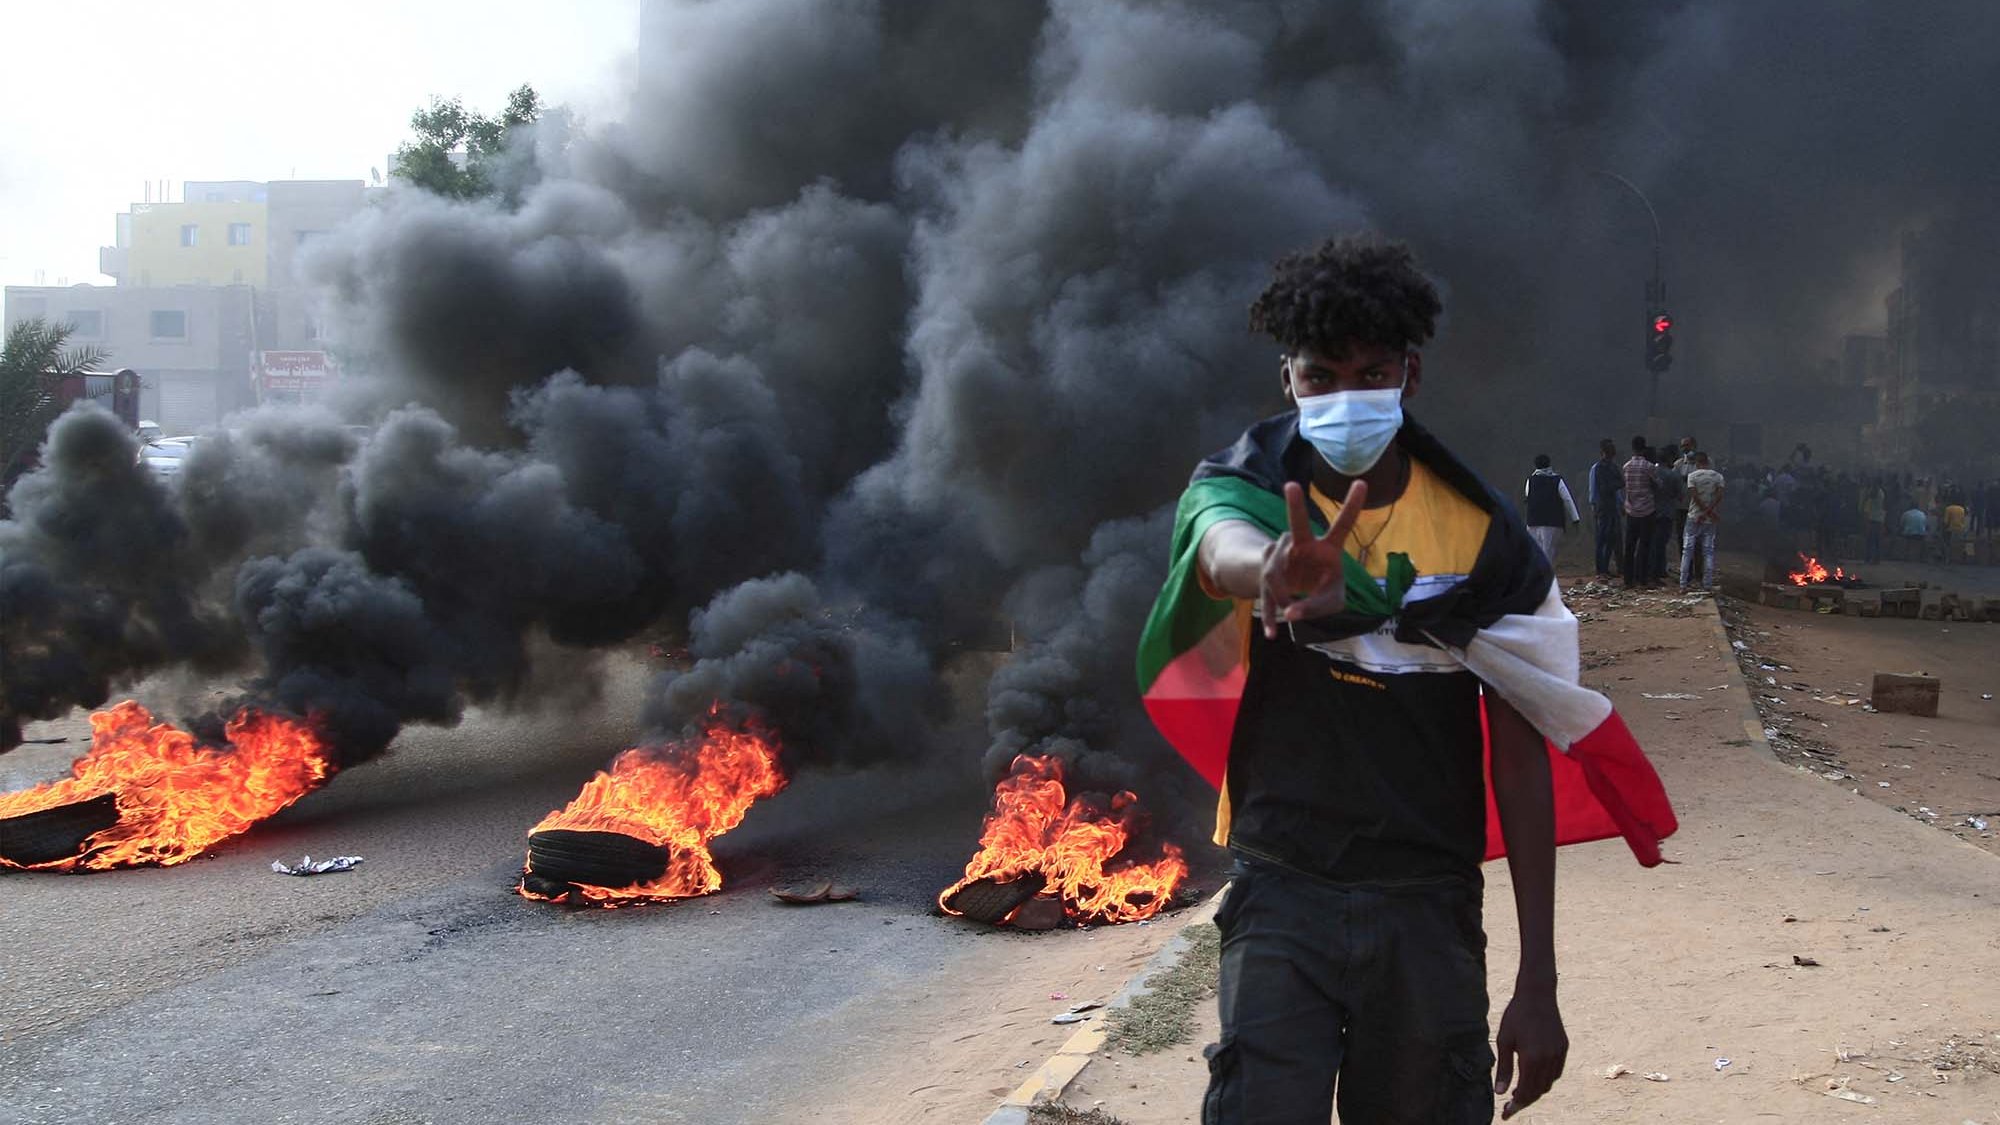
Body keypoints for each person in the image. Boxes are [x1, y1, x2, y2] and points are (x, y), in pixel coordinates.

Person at [1134, 235, 1674, 1125]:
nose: (1345, 398)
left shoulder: (1481, 536)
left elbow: (1521, 751)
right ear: (1288, 380)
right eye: (1320, 377)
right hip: (1282, 885)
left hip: (1427, 902)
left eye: (1369, 373)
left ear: (1410, 375)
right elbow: (1215, 538)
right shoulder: (1250, 484)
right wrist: (1268, 568)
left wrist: (1538, 978)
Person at [1523, 454, 1581, 564]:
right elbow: (1567, 500)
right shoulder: (1557, 480)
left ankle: (1539, 577)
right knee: (1548, 552)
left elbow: (1527, 496)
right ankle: (1546, 577)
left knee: (1536, 552)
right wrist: (1575, 518)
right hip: (1553, 522)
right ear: (1549, 464)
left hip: (1533, 521)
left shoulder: (1530, 480)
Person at [1680, 453, 1724, 593]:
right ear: (1708, 462)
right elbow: (1719, 496)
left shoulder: (1692, 476)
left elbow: (1694, 496)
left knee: (1687, 551)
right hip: (1710, 519)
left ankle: (1683, 584)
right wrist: (1709, 512)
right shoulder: (1718, 477)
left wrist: (1702, 512)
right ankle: (1707, 584)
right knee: (1708, 551)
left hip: (1694, 516)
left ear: (1697, 463)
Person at [1621, 437, 1658, 588]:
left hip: (1631, 509)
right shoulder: (1649, 466)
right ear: (1644, 449)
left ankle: (1628, 580)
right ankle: (1642, 578)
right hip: (1647, 510)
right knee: (1645, 545)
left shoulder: (1626, 466)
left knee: (1629, 545)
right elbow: (1658, 484)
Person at [1587, 438, 1623, 578]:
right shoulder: (1600, 468)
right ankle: (1601, 569)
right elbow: (1599, 489)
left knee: (1608, 538)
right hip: (1604, 506)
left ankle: (1604, 569)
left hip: (1608, 506)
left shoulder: (1610, 467)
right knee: (1604, 538)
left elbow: (1617, 486)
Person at [1861, 479, 1886, 564]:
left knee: (1871, 540)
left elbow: (1868, 499)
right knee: (1875, 540)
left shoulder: (1876, 493)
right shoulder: (1880, 493)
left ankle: (1870, 558)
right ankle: (1875, 559)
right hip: (1878, 519)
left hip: (1873, 519)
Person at [1942, 497, 1969, 565]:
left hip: (1951, 529)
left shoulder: (1948, 508)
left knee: (1947, 543)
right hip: (1961, 529)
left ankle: (1947, 558)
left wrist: (1943, 529)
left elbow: (1945, 522)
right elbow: (1963, 521)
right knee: (1959, 544)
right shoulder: (1962, 509)